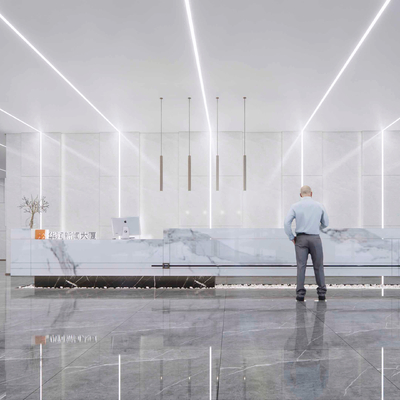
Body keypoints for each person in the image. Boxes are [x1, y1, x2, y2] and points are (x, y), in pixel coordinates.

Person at [284, 185, 329, 302]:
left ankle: (300, 295)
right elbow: (326, 223)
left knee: (301, 267)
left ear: (300, 195)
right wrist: (317, 228)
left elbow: (286, 223)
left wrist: (291, 237)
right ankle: (321, 294)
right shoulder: (319, 205)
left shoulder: (295, 206)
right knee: (318, 266)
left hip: (301, 239)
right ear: (311, 193)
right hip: (315, 238)